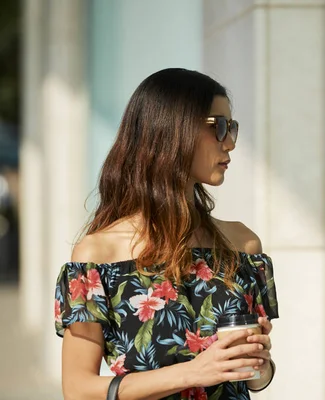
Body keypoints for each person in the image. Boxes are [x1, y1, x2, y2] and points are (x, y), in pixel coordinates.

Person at [54, 68, 279, 400]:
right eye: (218, 126)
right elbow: (77, 389)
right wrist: (193, 372)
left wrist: (258, 364)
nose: (230, 141)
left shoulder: (243, 245)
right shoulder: (97, 257)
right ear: (173, 131)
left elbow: (256, 379)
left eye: (232, 127)